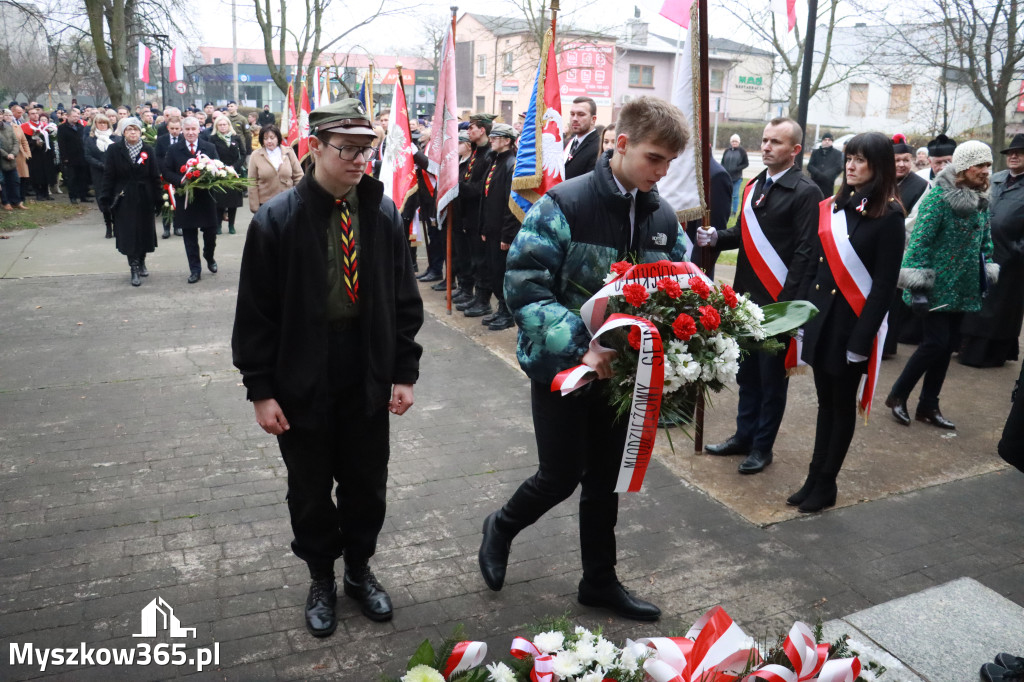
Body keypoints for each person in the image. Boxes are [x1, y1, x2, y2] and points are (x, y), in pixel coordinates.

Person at [478, 96, 692, 622]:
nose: (662, 172)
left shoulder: (661, 214)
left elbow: (679, 284)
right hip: (564, 369)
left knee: (605, 480)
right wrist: (583, 345)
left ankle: (598, 581)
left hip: (623, 375)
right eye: (654, 158)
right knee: (561, 473)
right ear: (621, 144)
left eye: (669, 162)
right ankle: (501, 525)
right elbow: (524, 287)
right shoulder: (564, 203)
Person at [231, 98, 423, 636]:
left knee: (366, 484)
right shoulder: (277, 220)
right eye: (346, 149)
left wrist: (403, 372)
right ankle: (321, 576)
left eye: (367, 149)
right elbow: (256, 314)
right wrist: (261, 390)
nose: (359, 160)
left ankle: (359, 572)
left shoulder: (382, 212)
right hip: (301, 379)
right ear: (313, 148)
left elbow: (403, 299)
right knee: (310, 489)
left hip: (365, 374)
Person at [696, 118, 823, 474]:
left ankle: (762, 447)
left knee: (771, 381)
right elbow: (743, 234)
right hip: (746, 299)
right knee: (747, 375)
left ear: (795, 150)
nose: (767, 147)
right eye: (765, 140)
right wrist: (717, 237)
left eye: (776, 142)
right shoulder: (754, 186)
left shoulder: (805, 192)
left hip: (779, 305)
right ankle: (743, 436)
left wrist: (790, 308)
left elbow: (805, 252)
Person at [788, 132, 905, 513]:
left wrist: (861, 341)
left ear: (879, 165)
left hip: (851, 326)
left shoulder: (889, 215)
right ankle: (813, 476)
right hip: (823, 321)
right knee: (825, 403)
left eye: (860, 160)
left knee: (841, 406)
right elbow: (816, 267)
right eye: (848, 158)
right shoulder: (836, 207)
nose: (850, 166)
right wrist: (802, 316)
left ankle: (827, 483)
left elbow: (884, 287)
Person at [885, 141, 997, 430]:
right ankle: (897, 394)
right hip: (936, 286)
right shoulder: (938, 199)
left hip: (963, 286)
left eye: (988, 165)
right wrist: (918, 287)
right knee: (934, 343)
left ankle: (928, 405)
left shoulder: (981, 199)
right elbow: (919, 243)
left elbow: (985, 242)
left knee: (947, 346)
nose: (987, 171)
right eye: (980, 165)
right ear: (964, 168)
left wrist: (987, 271)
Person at [959, 134, 1024, 368]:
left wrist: (1016, 251)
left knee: (999, 308)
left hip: (1011, 260)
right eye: (1010, 153)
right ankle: (964, 347)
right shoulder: (994, 179)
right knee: (976, 303)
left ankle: (990, 354)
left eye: (1020, 152)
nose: (1013, 156)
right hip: (980, 252)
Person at [99, 118, 161, 287]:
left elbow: (155, 176)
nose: (132, 132)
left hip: (144, 196)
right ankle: (133, 267)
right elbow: (109, 175)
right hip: (124, 197)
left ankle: (141, 260)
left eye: (135, 130)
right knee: (128, 232)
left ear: (140, 132)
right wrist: (105, 198)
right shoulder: (114, 150)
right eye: (129, 130)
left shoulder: (148, 149)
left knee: (143, 231)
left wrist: (158, 199)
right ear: (124, 132)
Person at [162, 117, 220, 284]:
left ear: (199, 129)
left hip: (206, 198)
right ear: (182, 130)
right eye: (187, 129)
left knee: (210, 234)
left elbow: (217, 166)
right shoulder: (174, 149)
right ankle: (195, 269)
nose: (190, 132)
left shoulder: (209, 147)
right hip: (185, 199)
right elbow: (166, 171)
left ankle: (209, 256)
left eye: (194, 129)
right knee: (189, 237)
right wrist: (181, 180)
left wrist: (207, 178)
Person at [478, 123, 520, 330]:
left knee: (503, 273)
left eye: (497, 137)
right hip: (492, 229)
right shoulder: (496, 161)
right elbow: (487, 199)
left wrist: (507, 235)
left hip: (503, 232)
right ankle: (501, 309)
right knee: (495, 272)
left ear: (507, 141)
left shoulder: (511, 164)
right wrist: (485, 228)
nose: (492, 139)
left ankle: (507, 312)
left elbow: (511, 204)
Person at [454, 113, 495, 318]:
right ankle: (472, 294)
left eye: (472, 128)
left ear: (482, 130)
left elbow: (481, 189)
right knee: (471, 257)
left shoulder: (488, 155)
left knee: (481, 260)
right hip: (467, 215)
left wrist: (459, 186)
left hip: (479, 216)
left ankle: (483, 300)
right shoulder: (477, 153)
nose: (468, 131)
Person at [248, 124, 303, 212]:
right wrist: (255, 207)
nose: (269, 141)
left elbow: (299, 176)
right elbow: (252, 182)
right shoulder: (256, 155)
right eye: (265, 138)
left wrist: (299, 199)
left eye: (272, 137)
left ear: (278, 138)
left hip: (288, 202)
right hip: (265, 204)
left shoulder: (289, 152)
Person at [208, 116, 245, 235]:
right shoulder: (213, 139)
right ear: (216, 126)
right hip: (220, 172)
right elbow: (211, 155)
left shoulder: (236, 138)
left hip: (234, 172)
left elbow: (243, 153)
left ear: (229, 125)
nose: (223, 127)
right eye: (220, 125)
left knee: (233, 202)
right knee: (220, 201)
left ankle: (231, 225)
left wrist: (235, 166)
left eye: (225, 124)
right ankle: (218, 225)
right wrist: (220, 167)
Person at [85, 114, 116, 238]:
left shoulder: (115, 138)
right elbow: (88, 156)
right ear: (95, 125)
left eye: (105, 123)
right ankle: (108, 226)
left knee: (115, 198)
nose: (103, 125)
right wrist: (100, 165)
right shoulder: (90, 139)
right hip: (99, 173)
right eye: (100, 123)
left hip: (114, 173)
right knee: (103, 200)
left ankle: (117, 225)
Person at [57, 109, 91, 204]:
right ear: (68, 116)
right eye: (74, 116)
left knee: (82, 177)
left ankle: (83, 195)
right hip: (70, 157)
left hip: (82, 156)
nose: (76, 118)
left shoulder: (80, 127)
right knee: (72, 178)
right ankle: (73, 196)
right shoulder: (62, 128)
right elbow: (61, 144)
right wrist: (64, 157)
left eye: (77, 116)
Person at [563, 96, 599, 180]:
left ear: (593, 119)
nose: (574, 119)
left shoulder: (598, 147)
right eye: (572, 114)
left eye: (581, 114)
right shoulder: (568, 143)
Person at [23, 107, 53, 201]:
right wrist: (34, 143)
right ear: (29, 115)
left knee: (46, 173)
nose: (35, 115)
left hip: (44, 153)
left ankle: (45, 192)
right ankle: (38, 193)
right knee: (36, 174)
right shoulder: (25, 127)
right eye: (32, 113)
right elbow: (25, 141)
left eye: (36, 113)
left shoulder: (44, 125)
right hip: (34, 154)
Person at [0, 110, 26, 210]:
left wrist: (13, 153)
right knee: (2, 182)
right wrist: (6, 155)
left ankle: (16, 201)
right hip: (2, 159)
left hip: (11, 158)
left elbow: (16, 141)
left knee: (15, 181)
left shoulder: (8, 127)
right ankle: (6, 202)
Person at [807, 132, 844, 199]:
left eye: (829, 140)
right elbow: (810, 166)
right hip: (815, 182)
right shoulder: (815, 152)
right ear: (822, 141)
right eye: (825, 140)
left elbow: (838, 167)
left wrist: (827, 174)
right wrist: (817, 173)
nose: (827, 141)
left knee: (825, 202)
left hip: (828, 183)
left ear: (832, 141)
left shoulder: (837, 153)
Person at [720, 133, 749, 215]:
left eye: (736, 141)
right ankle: (727, 210)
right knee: (726, 195)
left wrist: (737, 168)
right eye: (733, 141)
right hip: (727, 177)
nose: (734, 143)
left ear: (739, 142)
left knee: (735, 195)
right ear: (730, 142)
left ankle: (734, 211)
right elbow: (722, 162)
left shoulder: (742, 151)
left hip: (737, 178)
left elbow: (746, 164)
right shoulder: (727, 151)